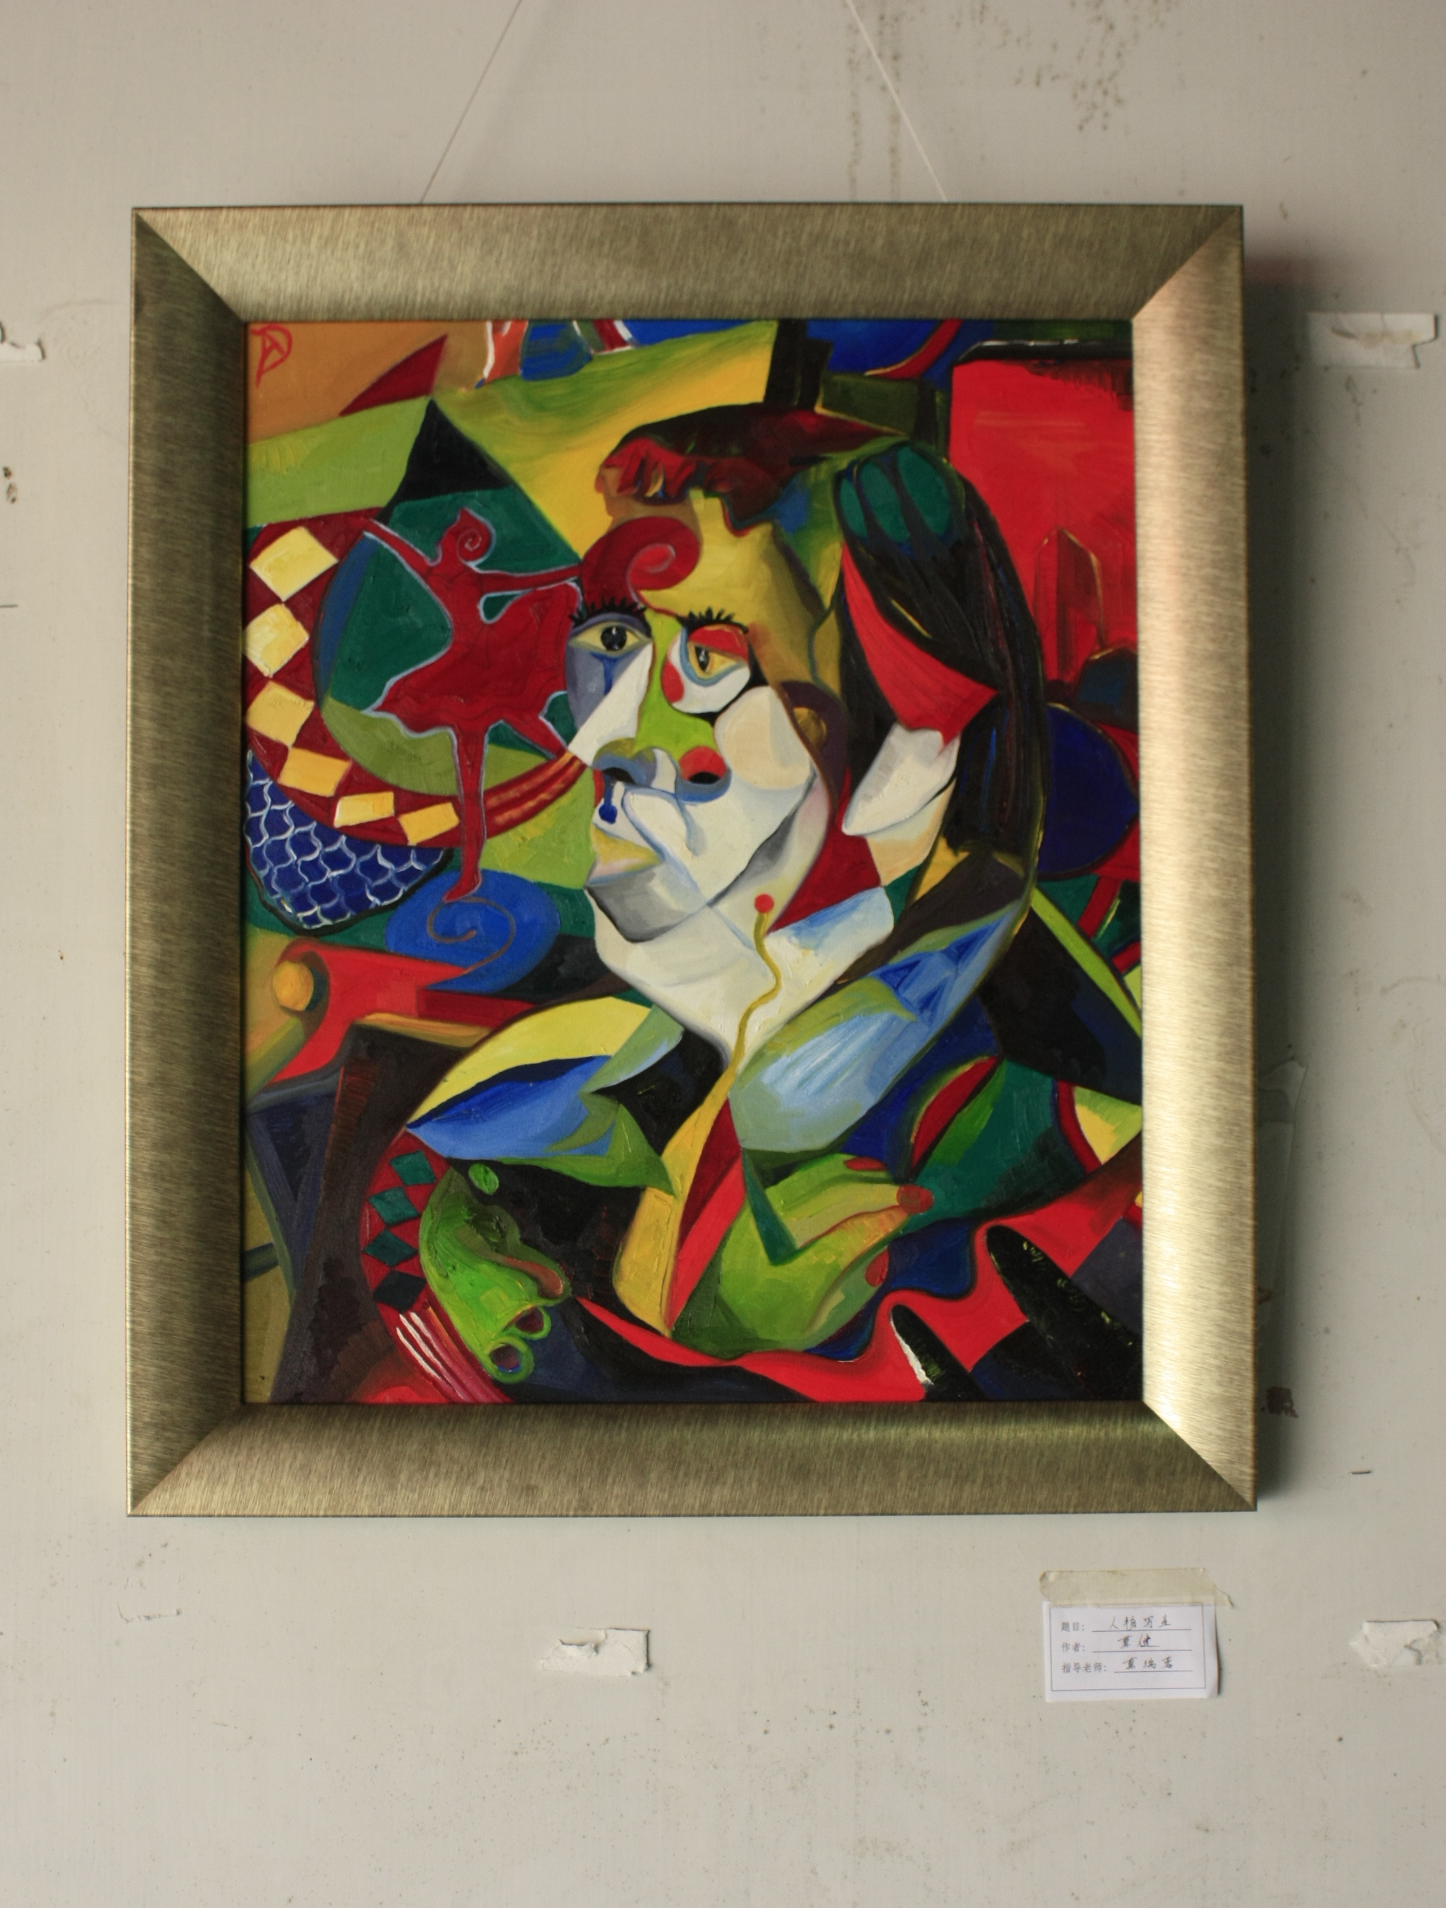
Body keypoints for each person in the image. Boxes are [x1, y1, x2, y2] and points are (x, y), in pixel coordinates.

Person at [377, 406, 1143, 1403]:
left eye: (708, 665)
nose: (608, 743)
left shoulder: (1051, 1112)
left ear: (910, 756)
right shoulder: (602, 1063)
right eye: (612, 645)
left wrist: (733, 1341)